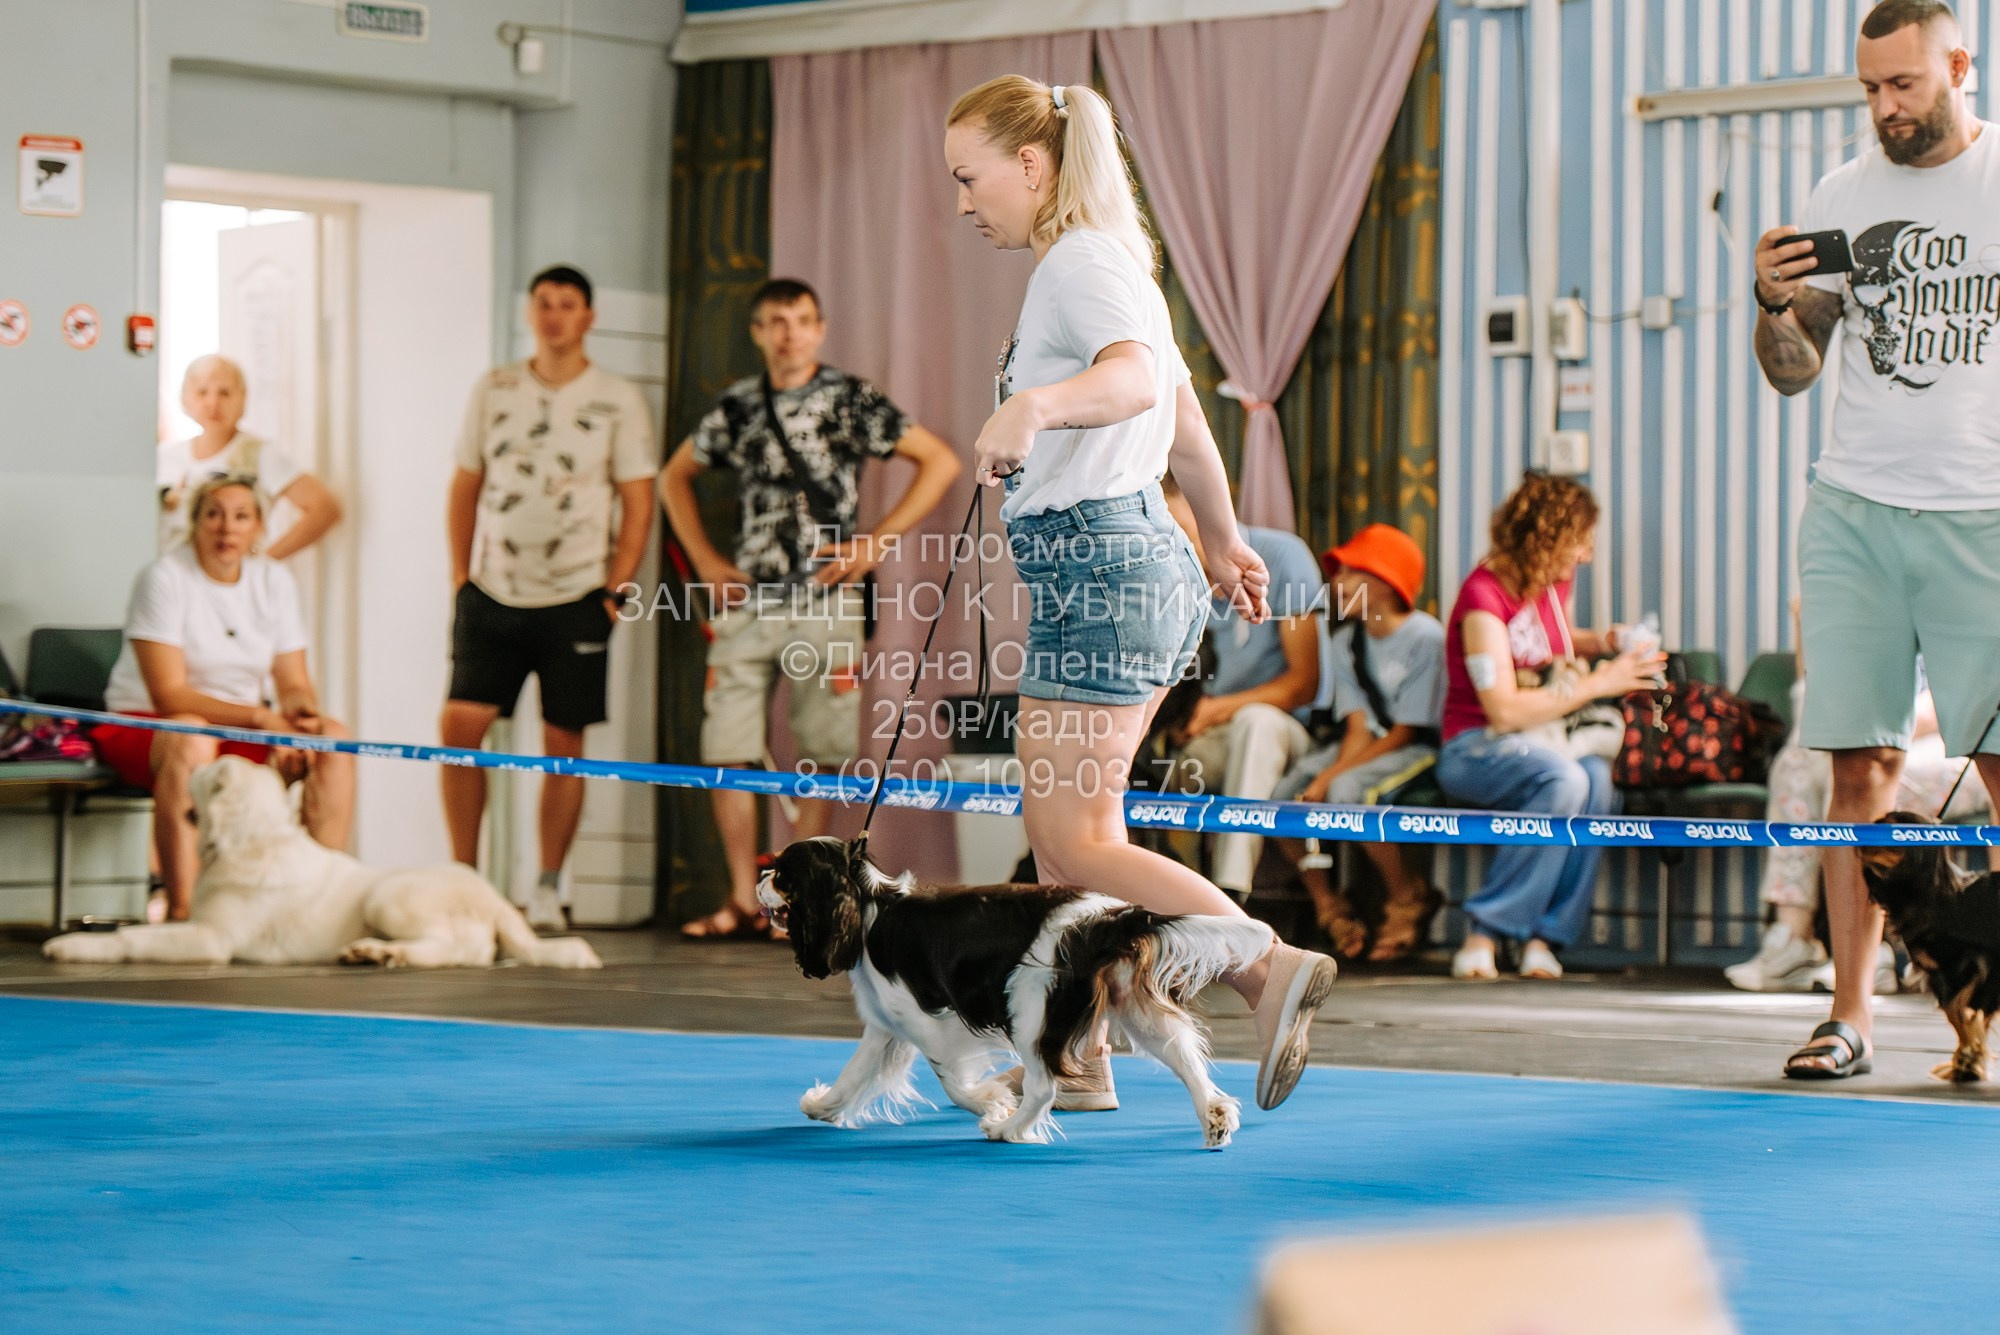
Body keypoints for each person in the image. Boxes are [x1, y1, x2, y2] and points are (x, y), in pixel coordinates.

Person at [947, 74, 1338, 1115]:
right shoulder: (1103, 260)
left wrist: (1034, 406)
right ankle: (1074, 1056)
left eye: (968, 177)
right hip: (1120, 564)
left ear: (1029, 165)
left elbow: (1127, 380)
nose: (961, 201)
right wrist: (1216, 538)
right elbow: (1185, 421)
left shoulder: (1077, 263)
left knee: (1075, 841)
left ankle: (1263, 967)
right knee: (1069, 838)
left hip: (1098, 567)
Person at [1751, 0, 2000, 1077]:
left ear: (1957, 65)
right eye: (1867, 88)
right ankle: (1845, 1017)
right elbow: (1792, 368)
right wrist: (1767, 305)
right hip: (1851, 511)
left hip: (1981, 515)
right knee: (1855, 774)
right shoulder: (1839, 195)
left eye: (1900, 84)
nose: (1881, 107)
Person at [658, 278, 960, 939]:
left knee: (823, 747)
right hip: (749, 597)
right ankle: (741, 895)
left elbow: (938, 460)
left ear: (819, 328)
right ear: (758, 332)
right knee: (727, 749)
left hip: (828, 593)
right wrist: (707, 560)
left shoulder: (849, 398)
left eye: (800, 320)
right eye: (775, 321)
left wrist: (876, 542)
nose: (789, 332)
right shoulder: (737, 406)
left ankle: (791, 902)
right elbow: (671, 477)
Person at [441, 266, 657, 932]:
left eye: (568, 305)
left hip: (576, 596)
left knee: (563, 741)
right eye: (544, 304)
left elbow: (637, 496)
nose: (555, 315)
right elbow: (465, 483)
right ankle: (466, 881)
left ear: (588, 316)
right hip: (493, 592)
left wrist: (616, 587)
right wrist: (460, 577)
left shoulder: (617, 397)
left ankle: (545, 885)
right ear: (530, 313)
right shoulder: (495, 387)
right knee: (459, 732)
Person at [1434, 475, 1665, 981]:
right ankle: (1485, 932)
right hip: (1476, 746)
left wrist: (1607, 640)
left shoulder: (1550, 584)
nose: (1586, 555)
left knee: (1600, 780)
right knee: (1564, 780)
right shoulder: (1483, 596)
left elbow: (1547, 645)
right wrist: (1603, 682)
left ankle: (1545, 936)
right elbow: (1504, 711)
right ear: (1548, 538)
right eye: (1580, 541)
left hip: (1545, 737)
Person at [93, 475, 355, 921]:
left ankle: (319, 908)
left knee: (332, 737)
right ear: (194, 523)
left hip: (241, 726)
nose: (226, 528)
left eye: (241, 517)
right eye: (213, 514)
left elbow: (292, 680)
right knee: (191, 735)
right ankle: (184, 912)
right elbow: (169, 695)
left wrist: (299, 714)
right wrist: (263, 718)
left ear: (258, 528)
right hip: (148, 724)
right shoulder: (163, 578)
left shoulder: (274, 581)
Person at [1727, 601, 1991, 991]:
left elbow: (1963, 698)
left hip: (1958, 744)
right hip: (1878, 729)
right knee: (1795, 765)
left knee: (1864, 776)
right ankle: (1792, 936)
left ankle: (1873, 949)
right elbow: (1814, 701)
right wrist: (1809, 624)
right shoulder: (1867, 594)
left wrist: (1864, 733)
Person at [1272, 524, 1446, 962]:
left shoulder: (1426, 638)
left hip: (1413, 748)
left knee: (1349, 792)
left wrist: (1333, 778)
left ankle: (1406, 897)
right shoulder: (1345, 641)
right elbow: (1357, 729)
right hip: (1366, 746)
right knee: (1281, 801)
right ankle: (1327, 903)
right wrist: (1324, 776)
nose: (1336, 584)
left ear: (1386, 583)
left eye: (1350, 573)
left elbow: (1406, 730)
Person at [1159, 476, 1326, 902]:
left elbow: (1303, 685)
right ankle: (1175, 904)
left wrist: (1217, 709)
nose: (1187, 555)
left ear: (1218, 515)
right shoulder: (1171, 578)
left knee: (1256, 723)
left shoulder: (1282, 557)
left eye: (1191, 538)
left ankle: (1231, 892)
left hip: (1283, 732)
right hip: (1201, 741)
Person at [157, 354, 342, 556]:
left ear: (243, 398)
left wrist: (266, 562)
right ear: (185, 398)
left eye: (225, 393)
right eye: (202, 392)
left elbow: (324, 509)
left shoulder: (260, 454)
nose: (213, 402)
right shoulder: (163, 456)